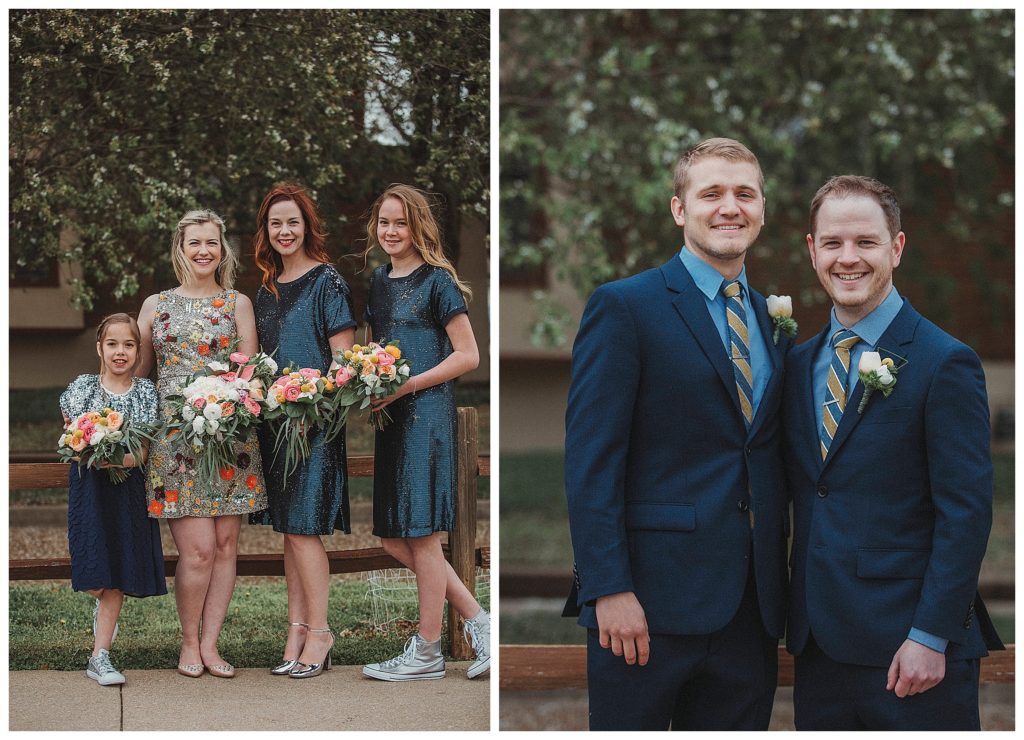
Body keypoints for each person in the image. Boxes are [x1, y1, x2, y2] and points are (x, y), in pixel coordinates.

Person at [563, 138, 791, 730]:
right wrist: (607, 588)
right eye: (710, 193)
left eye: (744, 194)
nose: (729, 207)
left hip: (751, 611)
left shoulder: (772, 320)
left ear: (762, 209)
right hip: (645, 607)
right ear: (678, 209)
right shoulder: (625, 307)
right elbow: (591, 461)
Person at [782, 175, 1003, 730]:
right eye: (832, 244)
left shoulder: (944, 363)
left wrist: (930, 635)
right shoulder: (796, 364)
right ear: (812, 251)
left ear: (897, 249)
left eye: (866, 242)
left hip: (911, 652)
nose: (847, 258)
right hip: (818, 648)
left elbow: (966, 513)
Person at [359, 184, 490, 681]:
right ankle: (480, 621)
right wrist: (366, 378)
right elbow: (376, 346)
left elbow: (468, 356)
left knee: (422, 537)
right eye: (384, 223)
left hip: (426, 415)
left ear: (418, 227)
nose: (391, 232)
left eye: (401, 223)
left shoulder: (438, 282)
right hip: (391, 418)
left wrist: (407, 385)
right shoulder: (377, 280)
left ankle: (428, 649)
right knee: (398, 539)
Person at [137, 209, 268, 678]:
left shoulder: (237, 304)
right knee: (197, 551)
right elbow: (139, 376)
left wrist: (231, 396)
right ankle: (188, 642)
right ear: (181, 248)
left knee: (226, 546)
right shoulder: (156, 305)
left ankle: (212, 645)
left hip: (230, 436)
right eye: (195, 243)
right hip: (174, 440)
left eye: (211, 243)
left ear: (222, 249)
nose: (203, 251)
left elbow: (249, 372)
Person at [249, 183, 357, 678]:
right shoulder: (265, 289)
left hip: (313, 425)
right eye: (276, 224)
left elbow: (343, 364)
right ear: (266, 232)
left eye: (293, 222)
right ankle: (295, 630)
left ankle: (320, 632)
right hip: (274, 426)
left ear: (307, 226)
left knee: (305, 531)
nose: (285, 231)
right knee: (289, 533)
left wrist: (312, 401)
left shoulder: (328, 282)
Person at [61, 313, 167, 686]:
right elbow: (73, 443)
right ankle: (101, 608)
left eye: (128, 344)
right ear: (99, 348)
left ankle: (100, 655)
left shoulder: (145, 393)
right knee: (95, 573)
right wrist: (91, 447)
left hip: (127, 493)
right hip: (90, 492)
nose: (120, 352)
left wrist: (107, 455)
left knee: (116, 574)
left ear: (139, 351)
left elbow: (138, 454)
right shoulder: (82, 389)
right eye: (112, 344)